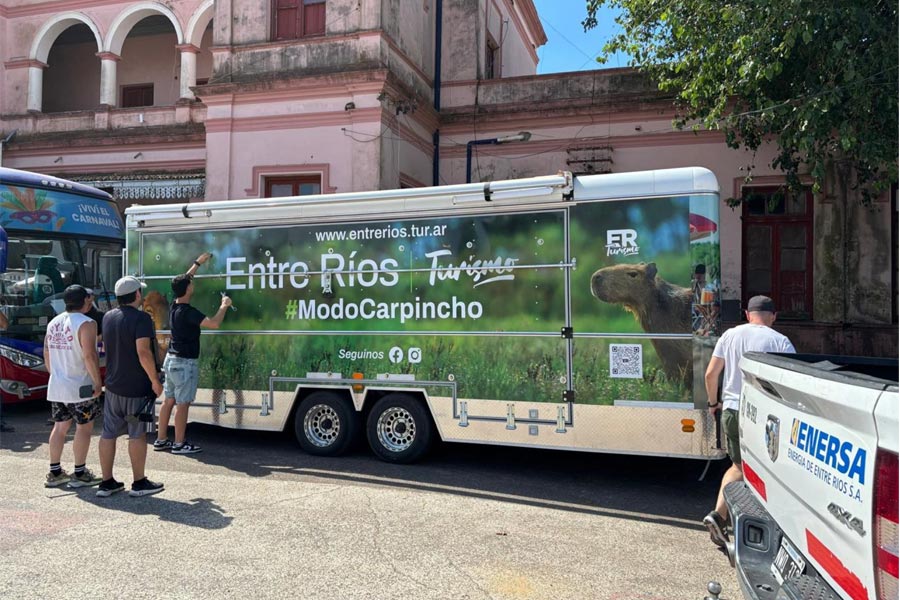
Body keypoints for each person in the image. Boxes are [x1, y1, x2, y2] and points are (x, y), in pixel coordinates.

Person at [702, 295, 795, 547]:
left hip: (732, 409)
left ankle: (719, 516)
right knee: (766, 470)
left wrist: (713, 403)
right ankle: (760, 529)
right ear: (773, 316)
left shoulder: (729, 336)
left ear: (747, 314)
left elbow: (711, 374)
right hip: (765, 415)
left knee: (739, 467)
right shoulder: (781, 342)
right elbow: (790, 384)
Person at [154, 253, 232, 454]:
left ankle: (161, 439)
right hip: (184, 363)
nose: (192, 284)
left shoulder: (174, 305)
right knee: (183, 404)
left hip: (171, 360)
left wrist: (198, 263)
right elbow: (214, 323)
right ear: (188, 289)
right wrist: (224, 306)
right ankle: (180, 443)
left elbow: (184, 279)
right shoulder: (189, 313)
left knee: (168, 400)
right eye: (190, 283)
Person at [97, 276, 165, 497]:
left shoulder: (108, 317)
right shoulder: (142, 319)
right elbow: (143, 352)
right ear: (136, 294)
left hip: (113, 387)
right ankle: (139, 482)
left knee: (109, 433)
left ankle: (106, 482)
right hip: (136, 390)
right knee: (137, 433)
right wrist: (155, 380)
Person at [42, 285, 104, 488]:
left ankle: (55, 471)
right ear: (85, 300)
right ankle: (79, 472)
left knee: (60, 427)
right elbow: (89, 355)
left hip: (58, 384)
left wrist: (55, 374)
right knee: (84, 428)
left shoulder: (54, 322)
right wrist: (97, 382)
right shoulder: (87, 323)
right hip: (80, 385)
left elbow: (47, 352)